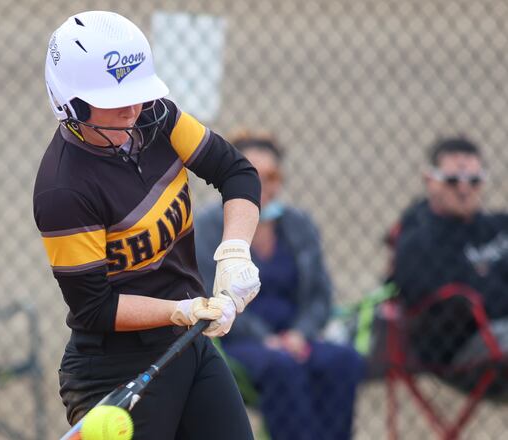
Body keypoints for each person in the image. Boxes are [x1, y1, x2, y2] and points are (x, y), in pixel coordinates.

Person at [34, 11, 263, 439]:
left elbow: (237, 172)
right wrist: (181, 310)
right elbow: (95, 307)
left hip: (186, 344)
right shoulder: (63, 190)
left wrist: (234, 250)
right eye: (116, 100)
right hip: (113, 367)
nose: (133, 109)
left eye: (137, 95)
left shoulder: (157, 118)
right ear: (72, 103)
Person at [194, 131, 364, 440]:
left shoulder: (299, 224)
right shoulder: (209, 225)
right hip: (238, 340)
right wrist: (267, 339)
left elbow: (319, 296)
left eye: (270, 175)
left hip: (297, 337)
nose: (261, 185)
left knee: (344, 361)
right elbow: (210, 293)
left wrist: (300, 333)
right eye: (249, 174)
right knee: (283, 369)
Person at [392, 137, 508, 392]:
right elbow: (465, 302)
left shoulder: (499, 227)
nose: (464, 189)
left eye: (474, 181)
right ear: (429, 181)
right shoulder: (418, 241)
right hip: (463, 353)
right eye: (453, 180)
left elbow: (487, 291)